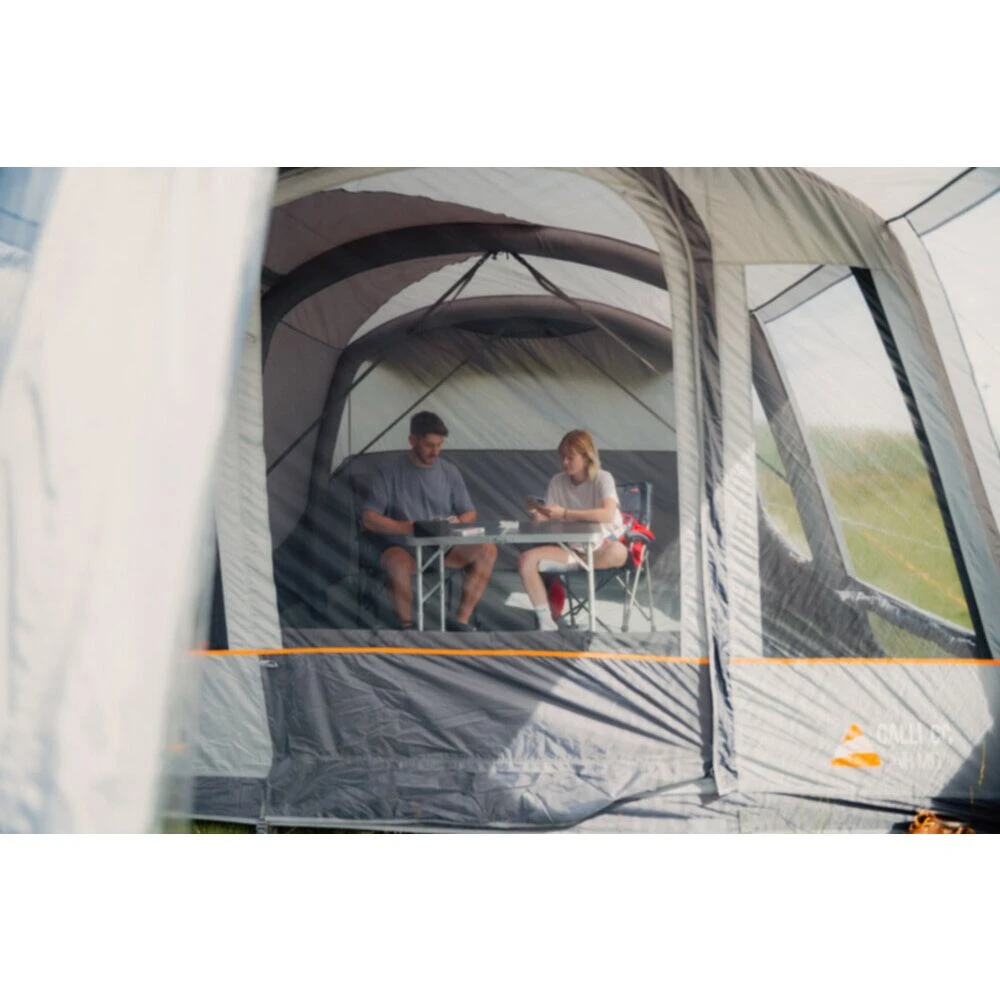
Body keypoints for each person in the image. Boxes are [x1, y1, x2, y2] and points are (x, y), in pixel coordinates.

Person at [360, 410, 497, 631]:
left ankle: (461, 622)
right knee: (396, 563)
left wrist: (457, 522)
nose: (436, 452)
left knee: (487, 549)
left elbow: (469, 513)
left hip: (443, 549)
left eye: (440, 445)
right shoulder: (388, 472)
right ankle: (407, 627)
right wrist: (411, 527)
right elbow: (369, 519)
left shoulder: (449, 472)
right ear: (412, 440)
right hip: (405, 548)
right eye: (429, 445)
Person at [518, 429, 627, 631]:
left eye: (570, 457)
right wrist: (539, 515)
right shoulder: (557, 481)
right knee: (526, 560)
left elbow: (608, 514)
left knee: (619, 552)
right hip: (572, 551)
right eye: (563, 457)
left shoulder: (603, 478)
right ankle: (546, 624)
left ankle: (577, 565)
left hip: (601, 549)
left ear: (586, 457)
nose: (564, 462)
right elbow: (549, 518)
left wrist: (566, 513)